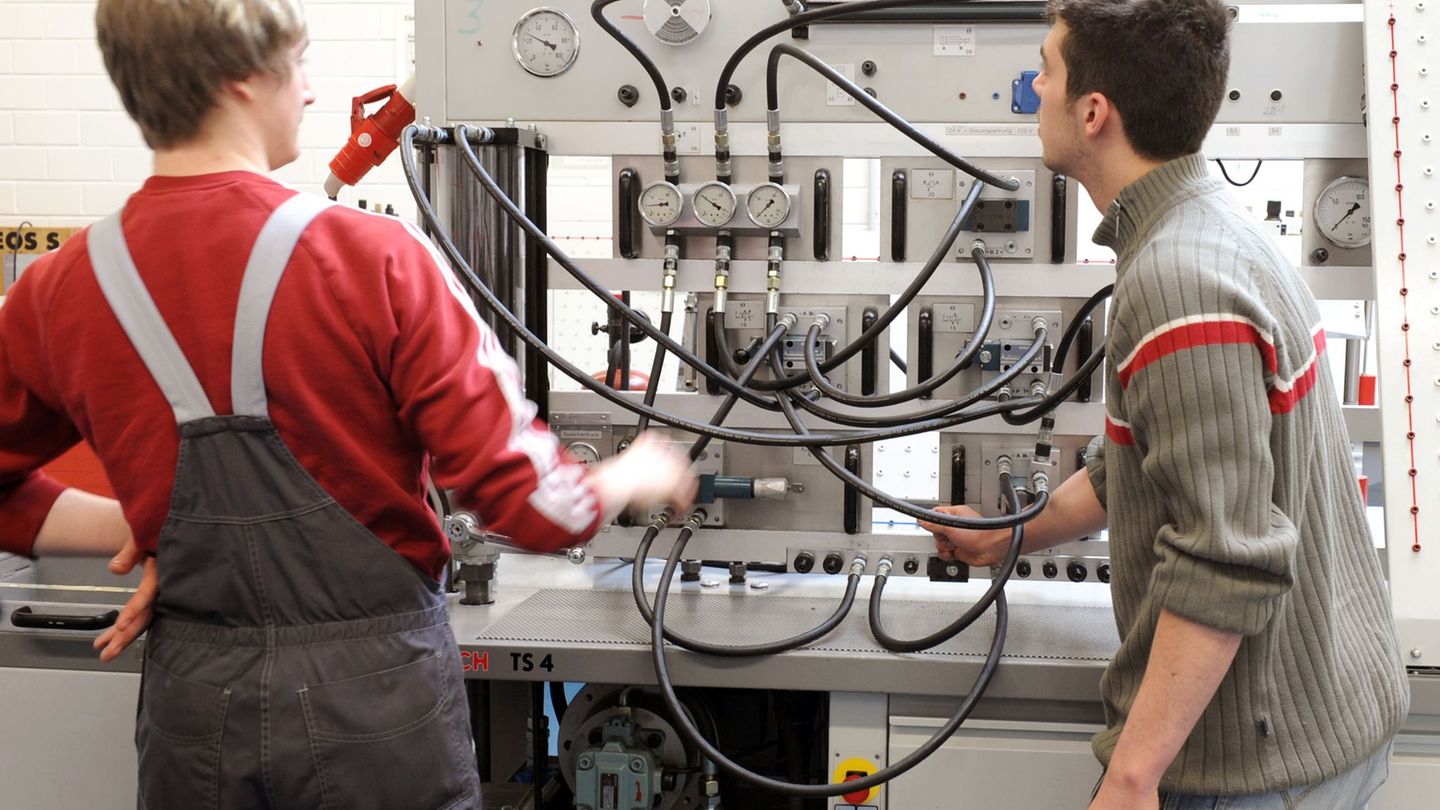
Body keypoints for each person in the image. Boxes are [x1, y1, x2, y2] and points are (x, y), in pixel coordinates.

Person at [0, 1, 696, 807]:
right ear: (242, 80)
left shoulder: (57, 288)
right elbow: (534, 507)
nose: (310, 93)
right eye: (299, 64)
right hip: (373, 706)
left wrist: (154, 530)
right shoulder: (376, 260)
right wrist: (635, 470)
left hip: (196, 713)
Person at [922, 2, 1409, 808]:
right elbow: (1135, 465)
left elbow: (1227, 556)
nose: (1030, 87)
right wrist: (1007, 538)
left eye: (1045, 67)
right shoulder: (1210, 232)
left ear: (1093, 112)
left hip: (1256, 765)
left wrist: (1133, 775)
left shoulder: (1178, 281)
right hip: (1311, 723)